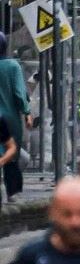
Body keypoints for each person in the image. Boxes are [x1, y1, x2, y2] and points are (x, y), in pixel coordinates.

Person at [0, 32, 30, 201]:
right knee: (11, 155)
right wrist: (27, 112)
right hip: (9, 118)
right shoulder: (12, 66)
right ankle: (13, 193)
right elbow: (19, 94)